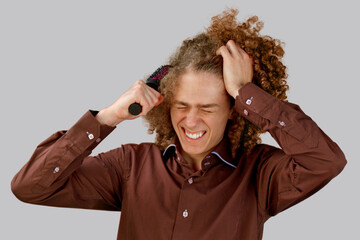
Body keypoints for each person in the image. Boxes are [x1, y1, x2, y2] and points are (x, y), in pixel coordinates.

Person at [11, 9, 346, 240]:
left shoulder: (260, 174)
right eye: (182, 105)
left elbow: (326, 160)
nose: (192, 120)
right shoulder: (130, 166)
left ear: (234, 111)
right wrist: (107, 117)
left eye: (208, 107)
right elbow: (31, 187)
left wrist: (247, 93)